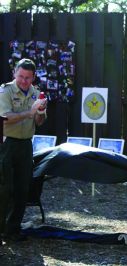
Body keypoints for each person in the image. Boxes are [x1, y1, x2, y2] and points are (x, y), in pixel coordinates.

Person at [0, 58, 47, 244]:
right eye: (21, 76)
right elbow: (5, 118)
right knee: (4, 188)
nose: (24, 81)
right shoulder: (5, 90)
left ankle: (13, 229)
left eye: (28, 77)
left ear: (34, 77)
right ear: (14, 73)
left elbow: (39, 123)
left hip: (26, 144)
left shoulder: (36, 93)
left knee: (22, 189)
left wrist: (41, 112)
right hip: (6, 143)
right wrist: (30, 112)